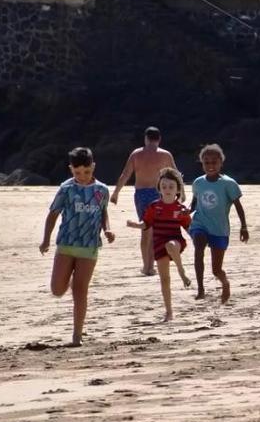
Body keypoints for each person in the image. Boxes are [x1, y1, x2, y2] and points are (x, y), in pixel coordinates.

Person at [39, 147, 115, 346]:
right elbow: (53, 214)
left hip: (89, 247)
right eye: (77, 172)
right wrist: (46, 240)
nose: (82, 176)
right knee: (57, 289)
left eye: (86, 172)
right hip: (66, 244)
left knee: (81, 291)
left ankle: (77, 336)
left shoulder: (102, 190)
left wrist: (107, 229)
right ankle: (71, 280)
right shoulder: (66, 189)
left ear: (93, 167)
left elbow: (103, 212)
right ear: (71, 169)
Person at [126, 168, 192, 321]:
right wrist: (134, 225)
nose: (167, 190)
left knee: (171, 245)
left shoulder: (180, 209)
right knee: (164, 279)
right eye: (164, 186)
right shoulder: (154, 207)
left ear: (177, 190)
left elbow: (189, 228)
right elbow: (146, 224)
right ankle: (169, 312)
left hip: (176, 240)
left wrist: (199, 238)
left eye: (171, 187)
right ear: (159, 189)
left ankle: (181, 270)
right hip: (158, 243)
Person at [111, 127, 177, 276]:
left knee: (145, 229)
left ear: (146, 138)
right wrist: (181, 193)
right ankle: (150, 266)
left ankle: (146, 266)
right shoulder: (165, 155)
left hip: (141, 195)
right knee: (155, 230)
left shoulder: (136, 154)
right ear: (159, 139)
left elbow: (125, 174)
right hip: (158, 194)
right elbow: (175, 174)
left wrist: (116, 193)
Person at [189, 144, 249, 302]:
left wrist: (243, 227)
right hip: (200, 223)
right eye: (206, 162)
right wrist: (186, 211)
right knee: (198, 247)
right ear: (202, 163)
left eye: (214, 162)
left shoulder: (229, 184)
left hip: (219, 229)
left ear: (221, 162)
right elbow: (194, 203)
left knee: (216, 270)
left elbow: (238, 206)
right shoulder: (198, 183)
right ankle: (201, 290)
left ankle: (225, 283)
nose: (210, 165)